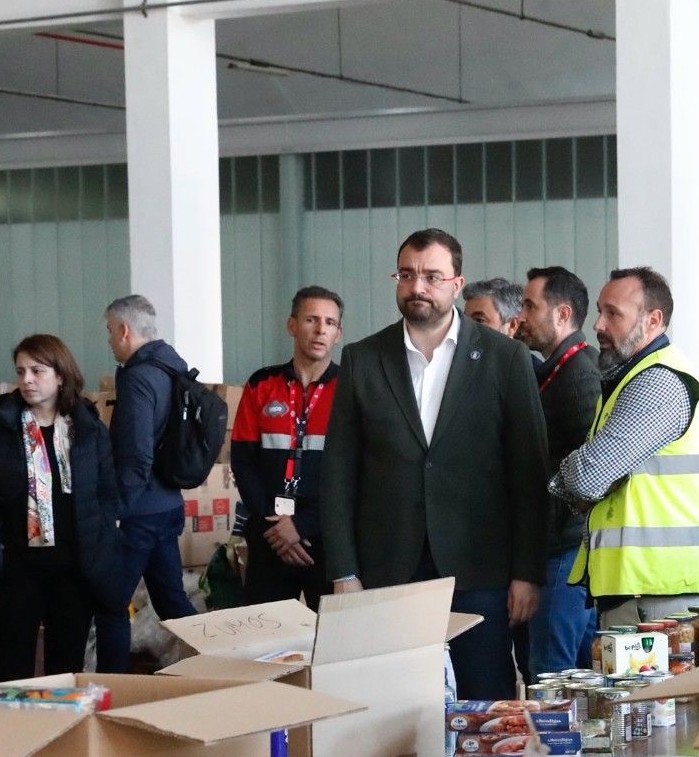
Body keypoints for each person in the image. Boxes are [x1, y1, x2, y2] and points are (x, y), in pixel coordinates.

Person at [322, 228, 550, 699]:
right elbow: (339, 474)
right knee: (393, 703)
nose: (417, 287)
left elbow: (528, 473)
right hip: (388, 568)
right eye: (406, 275)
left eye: (431, 276)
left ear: (456, 284)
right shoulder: (363, 359)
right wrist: (345, 572)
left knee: (485, 703)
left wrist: (526, 572)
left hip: (480, 569)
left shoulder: (504, 359)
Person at [553, 267, 699, 628]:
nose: (598, 325)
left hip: (658, 594)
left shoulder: (659, 381)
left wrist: (568, 473)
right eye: (600, 311)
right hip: (645, 589)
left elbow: (588, 476)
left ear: (653, 320)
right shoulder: (629, 378)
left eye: (613, 313)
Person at [0, 335, 127, 678]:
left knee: (66, 671)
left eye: (37, 370)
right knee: (12, 671)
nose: (27, 379)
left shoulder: (88, 429)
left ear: (61, 375)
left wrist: (101, 542)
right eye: (20, 371)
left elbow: (108, 495)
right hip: (15, 572)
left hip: (75, 573)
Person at [230, 287, 343, 607]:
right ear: (292, 325)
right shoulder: (261, 384)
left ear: (338, 334)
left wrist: (303, 525)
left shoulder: (350, 389)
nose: (321, 329)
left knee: (333, 644)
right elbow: (242, 460)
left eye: (330, 323)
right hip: (270, 535)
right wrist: (276, 524)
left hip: (326, 538)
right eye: (311, 319)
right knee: (265, 644)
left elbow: (358, 474)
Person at [515, 266, 601, 674]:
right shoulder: (552, 371)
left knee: (551, 675)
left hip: (567, 547)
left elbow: (593, 471)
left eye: (531, 306)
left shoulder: (581, 375)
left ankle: (551, 742)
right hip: (557, 544)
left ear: (562, 314)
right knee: (577, 670)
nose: (522, 316)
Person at [104, 295, 198, 656]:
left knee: (111, 604)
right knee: (172, 601)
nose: (110, 339)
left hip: (139, 512)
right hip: (167, 504)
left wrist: (117, 510)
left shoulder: (139, 378)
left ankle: (112, 691)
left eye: (111, 331)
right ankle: (214, 671)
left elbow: (137, 455)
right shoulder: (172, 369)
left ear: (124, 330)